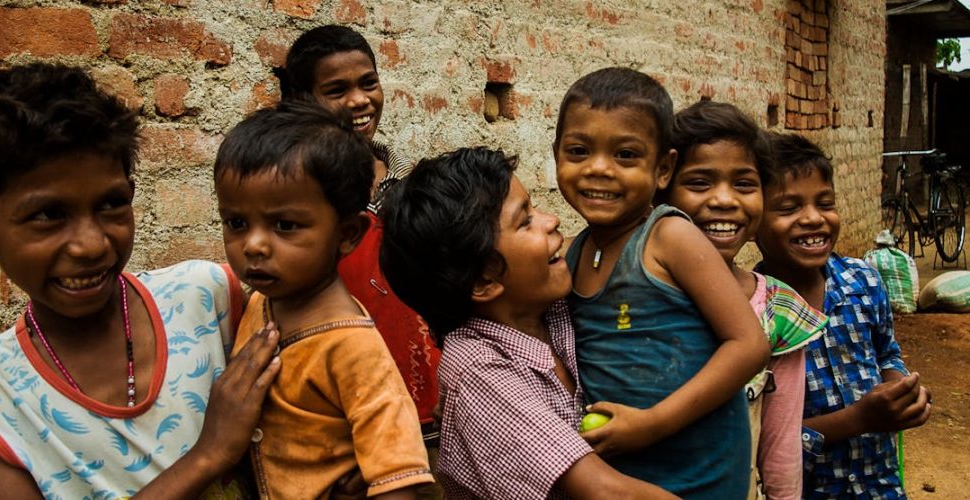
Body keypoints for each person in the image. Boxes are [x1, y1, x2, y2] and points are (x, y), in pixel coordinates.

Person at [0, 62, 280, 499]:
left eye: (111, 204)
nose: (92, 245)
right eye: (48, 215)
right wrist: (209, 455)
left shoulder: (204, 296)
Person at [378, 147, 675, 500]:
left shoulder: (552, 307)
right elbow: (608, 493)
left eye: (534, 208)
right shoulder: (479, 373)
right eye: (525, 221)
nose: (551, 221)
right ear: (483, 282)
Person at [554, 67, 769, 498]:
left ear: (664, 168)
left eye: (626, 155)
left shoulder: (669, 237)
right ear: (556, 153)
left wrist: (652, 424)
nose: (599, 169)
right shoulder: (573, 254)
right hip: (626, 476)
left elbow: (749, 345)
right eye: (578, 151)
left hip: (700, 473)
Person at [216, 101, 433, 499]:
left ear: (348, 233)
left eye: (285, 225)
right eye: (236, 223)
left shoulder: (354, 349)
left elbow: (400, 480)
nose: (253, 245)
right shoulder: (261, 303)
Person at [282, 26, 444, 464]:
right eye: (336, 90)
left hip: (429, 413)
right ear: (301, 100)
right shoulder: (299, 202)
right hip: (346, 418)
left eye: (368, 83)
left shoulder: (412, 186)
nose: (359, 101)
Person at [661, 100, 828, 499]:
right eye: (700, 182)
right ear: (662, 186)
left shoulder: (776, 310)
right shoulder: (633, 292)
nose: (724, 200)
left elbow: (781, 445)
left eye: (744, 184)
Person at [754, 132, 932, 499]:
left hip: (879, 486)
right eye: (789, 208)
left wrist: (899, 390)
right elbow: (761, 437)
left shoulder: (862, 280)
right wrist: (861, 419)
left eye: (825, 203)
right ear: (753, 219)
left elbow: (886, 353)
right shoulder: (753, 312)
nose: (813, 219)